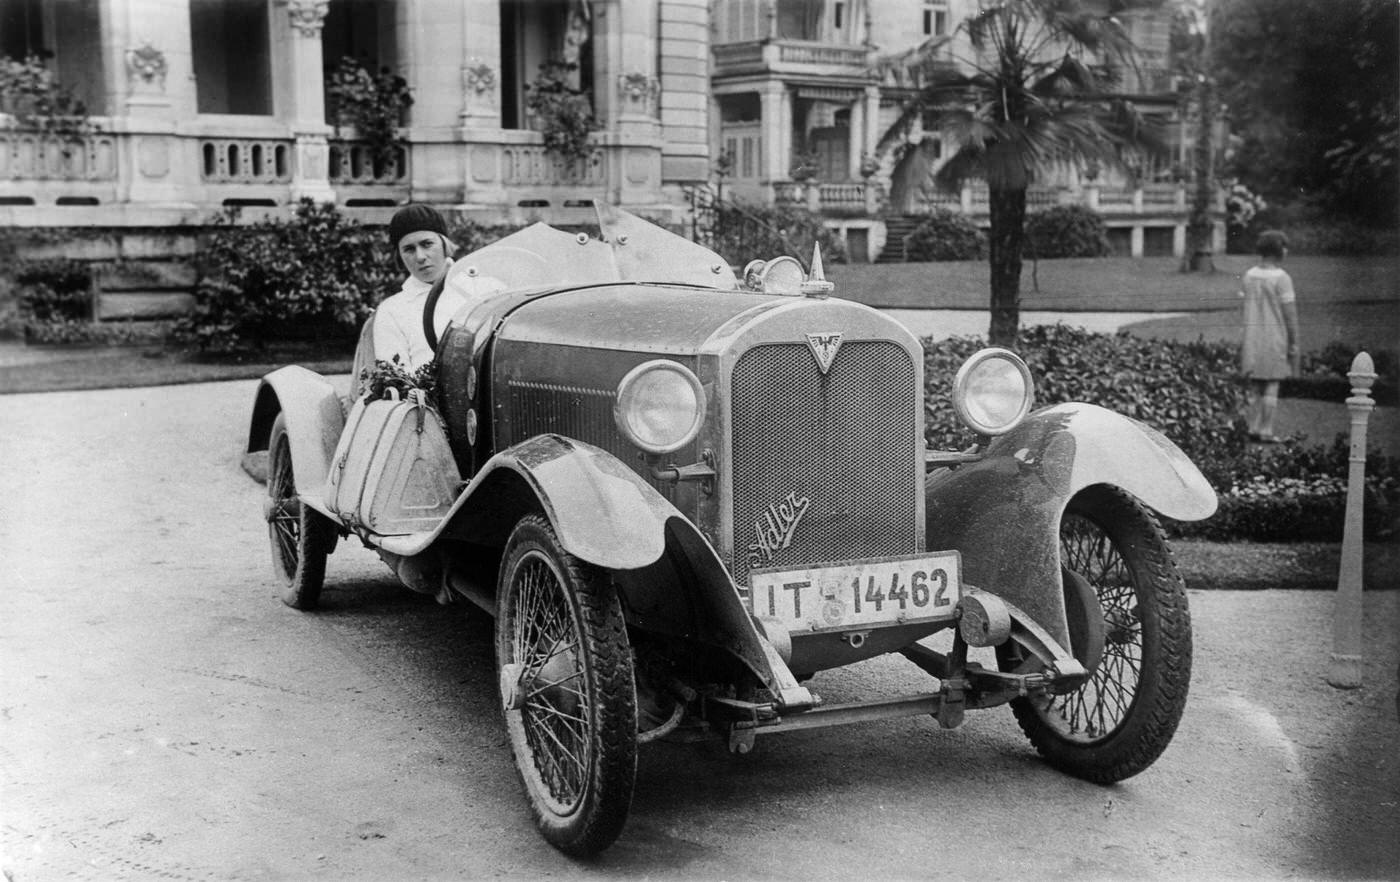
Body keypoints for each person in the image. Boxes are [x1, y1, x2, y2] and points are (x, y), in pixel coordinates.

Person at [372, 203, 466, 371]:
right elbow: (396, 377)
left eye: (427, 244)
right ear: (399, 257)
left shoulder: (484, 288)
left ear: (445, 244)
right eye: (409, 249)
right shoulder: (392, 310)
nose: (420, 257)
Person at [1239, 229, 1300, 443]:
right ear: (1277, 250)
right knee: (1272, 382)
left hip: (1252, 336)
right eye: (1284, 247)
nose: (1286, 251)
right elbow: (1289, 313)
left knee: (1255, 383)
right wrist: (1293, 341)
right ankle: (1265, 429)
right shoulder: (1282, 278)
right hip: (1275, 335)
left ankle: (1251, 426)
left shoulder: (1249, 275)